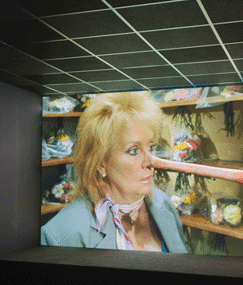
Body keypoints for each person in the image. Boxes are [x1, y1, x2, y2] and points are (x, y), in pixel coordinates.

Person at [41, 92, 188, 253]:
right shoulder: (63, 232)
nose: (151, 162)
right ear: (101, 163)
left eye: (151, 147)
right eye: (133, 151)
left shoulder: (162, 203)